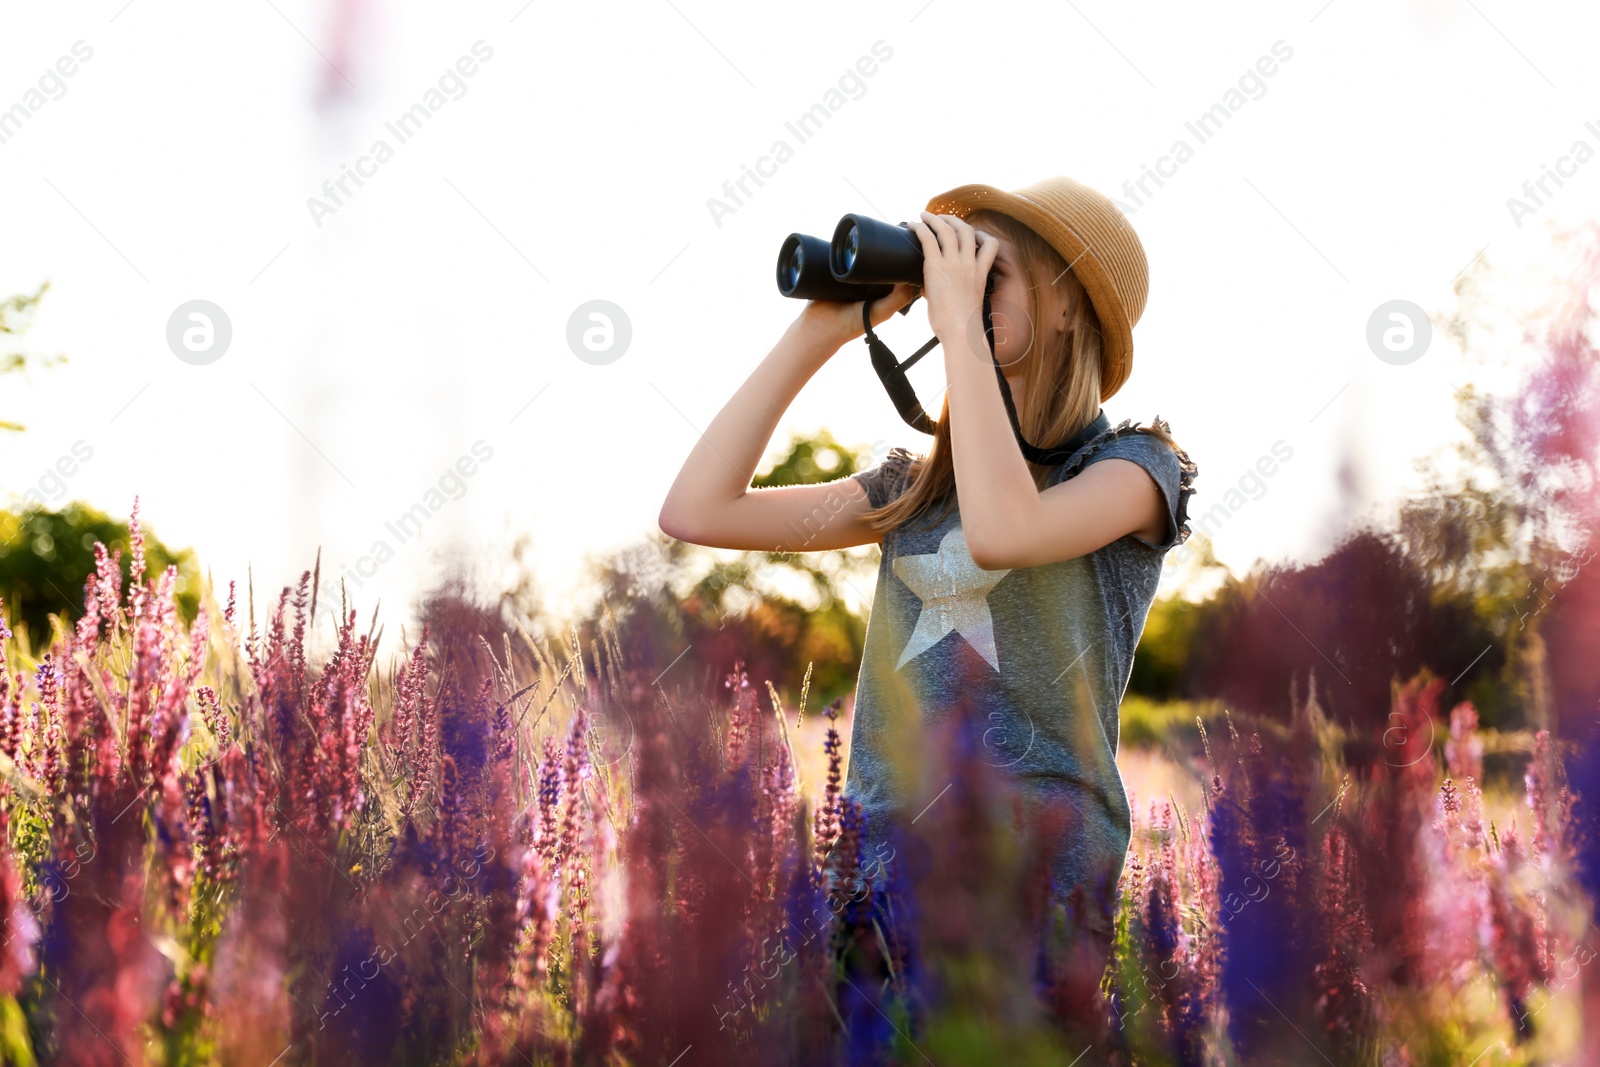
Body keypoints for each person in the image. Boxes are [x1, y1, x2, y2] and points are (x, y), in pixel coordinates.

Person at [658, 175, 1198, 972]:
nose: (965, 289)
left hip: (1036, 879)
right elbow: (697, 510)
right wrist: (821, 331)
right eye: (954, 267)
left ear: (1071, 303)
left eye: (992, 270)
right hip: (878, 874)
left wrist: (960, 331)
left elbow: (1006, 527)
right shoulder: (912, 489)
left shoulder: (1134, 467)